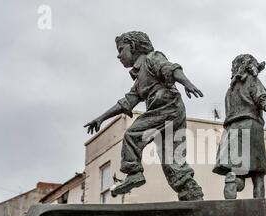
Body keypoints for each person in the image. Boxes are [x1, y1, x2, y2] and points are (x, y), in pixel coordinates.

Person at [85, 31, 204, 201]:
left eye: (121, 49)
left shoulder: (152, 58)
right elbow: (126, 102)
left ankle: (134, 173)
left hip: (166, 107)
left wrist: (187, 83)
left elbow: (170, 68)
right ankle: (191, 193)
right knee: (171, 159)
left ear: (133, 47)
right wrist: (101, 118)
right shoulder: (139, 79)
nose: (119, 56)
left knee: (132, 134)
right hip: (171, 112)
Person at [213, 54, 266, 198]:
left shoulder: (230, 91)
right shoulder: (252, 81)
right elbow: (263, 97)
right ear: (250, 67)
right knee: (258, 174)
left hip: (232, 130)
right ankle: (259, 208)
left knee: (238, 171)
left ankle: (233, 182)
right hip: (251, 127)